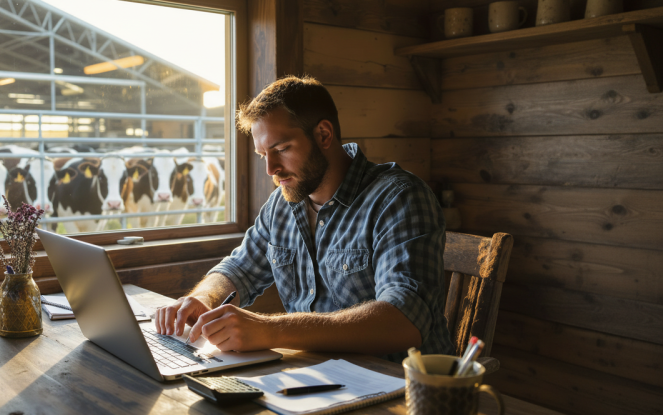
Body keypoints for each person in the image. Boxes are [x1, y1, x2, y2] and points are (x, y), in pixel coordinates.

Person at [154, 75, 454, 362]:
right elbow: (239, 268)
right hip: (317, 378)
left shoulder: (398, 197)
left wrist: (268, 330)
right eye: (263, 155)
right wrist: (204, 297)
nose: (271, 168)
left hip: (401, 387)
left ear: (324, 134)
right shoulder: (283, 204)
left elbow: (404, 320)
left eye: (281, 149)